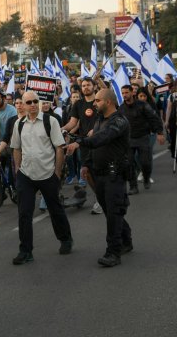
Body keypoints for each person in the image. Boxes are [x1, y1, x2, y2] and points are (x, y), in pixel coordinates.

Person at [65, 89, 132, 267]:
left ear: (108, 102)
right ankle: (126, 239)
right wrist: (86, 164)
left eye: (98, 100)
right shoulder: (99, 120)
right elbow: (95, 145)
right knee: (111, 211)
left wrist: (79, 142)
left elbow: (102, 138)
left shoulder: (119, 121)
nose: (94, 103)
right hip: (99, 173)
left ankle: (113, 252)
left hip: (114, 174)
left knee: (113, 213)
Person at [9, 91, 73, 264]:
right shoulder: (19, 124)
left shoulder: (49, 121)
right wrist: (18, 171)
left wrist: (57, 173)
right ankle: (25, 251)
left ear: (39, 102)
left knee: (55, 209)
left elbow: (60, 148)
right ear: (22, 104)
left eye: (34, 101)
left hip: (47, 174)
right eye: (28, 102)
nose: (31, 105)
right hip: (26, 175)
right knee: (24, 213)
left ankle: (66, 239)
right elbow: (16, 148)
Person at [61, 79, 100, 212]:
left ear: (94, 86)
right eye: (83, 86)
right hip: (83, 143)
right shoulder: (78, 104)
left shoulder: (99, 101)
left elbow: (106, 119)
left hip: (99, 143)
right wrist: (61, 130)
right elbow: (72, 122)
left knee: (98, 172)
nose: (86, 88)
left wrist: (95, 130)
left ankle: (100, 199)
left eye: (88, 85)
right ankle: (99, 195)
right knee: (87, 173)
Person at [119, 85, 165, 193]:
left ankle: (146, 177)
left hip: (143, 137)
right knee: (129, 164)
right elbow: (118, 124)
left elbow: (154, 118)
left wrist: (159, 132)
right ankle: (133, 186)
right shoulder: (121, 108)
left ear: (132, 93)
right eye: (123, 93)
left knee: (145, 162)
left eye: (126, 92)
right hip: (129, 140)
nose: (125, 95)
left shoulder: (143, 105)